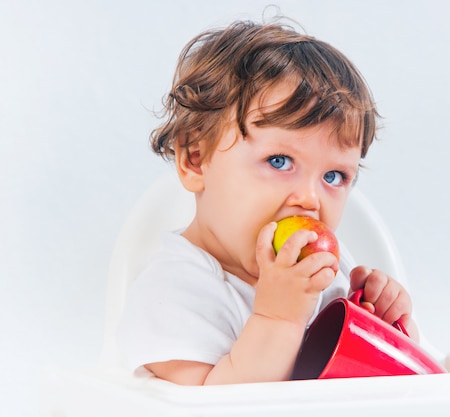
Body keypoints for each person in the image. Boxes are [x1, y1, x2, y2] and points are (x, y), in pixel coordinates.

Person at [117, 18, 420, 386]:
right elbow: (212, 406)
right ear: (196, 158)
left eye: (334, 177)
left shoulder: (331, 275)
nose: (310, 199)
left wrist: (389, 332)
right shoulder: (172, 295)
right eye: (279, 161)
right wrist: (279, 319)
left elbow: (395, 388)